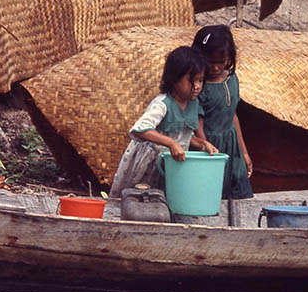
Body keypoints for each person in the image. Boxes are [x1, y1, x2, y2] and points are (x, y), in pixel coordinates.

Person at [109, 46, 218, 198]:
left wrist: (202, 144)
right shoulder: (162, 104)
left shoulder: (193, 104)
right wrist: (171, 143)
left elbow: (183, 135)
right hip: (148, 165)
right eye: (192, 81)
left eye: (200, 80)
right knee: (138, 199)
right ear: (174, 79)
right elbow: (141, 129)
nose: (198, 86)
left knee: (162, 200)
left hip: (170, 166)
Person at [191, 25, 254, 199]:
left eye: (221, 62)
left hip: (232, 148)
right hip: (210, 149)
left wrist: (244, 153)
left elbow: (232, 115)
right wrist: (207, 153)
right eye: (211, 62)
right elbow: (198, 124)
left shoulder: (231, 79)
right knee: (210, 195)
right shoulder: (199, 87)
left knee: (238, 195)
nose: (216, 67)